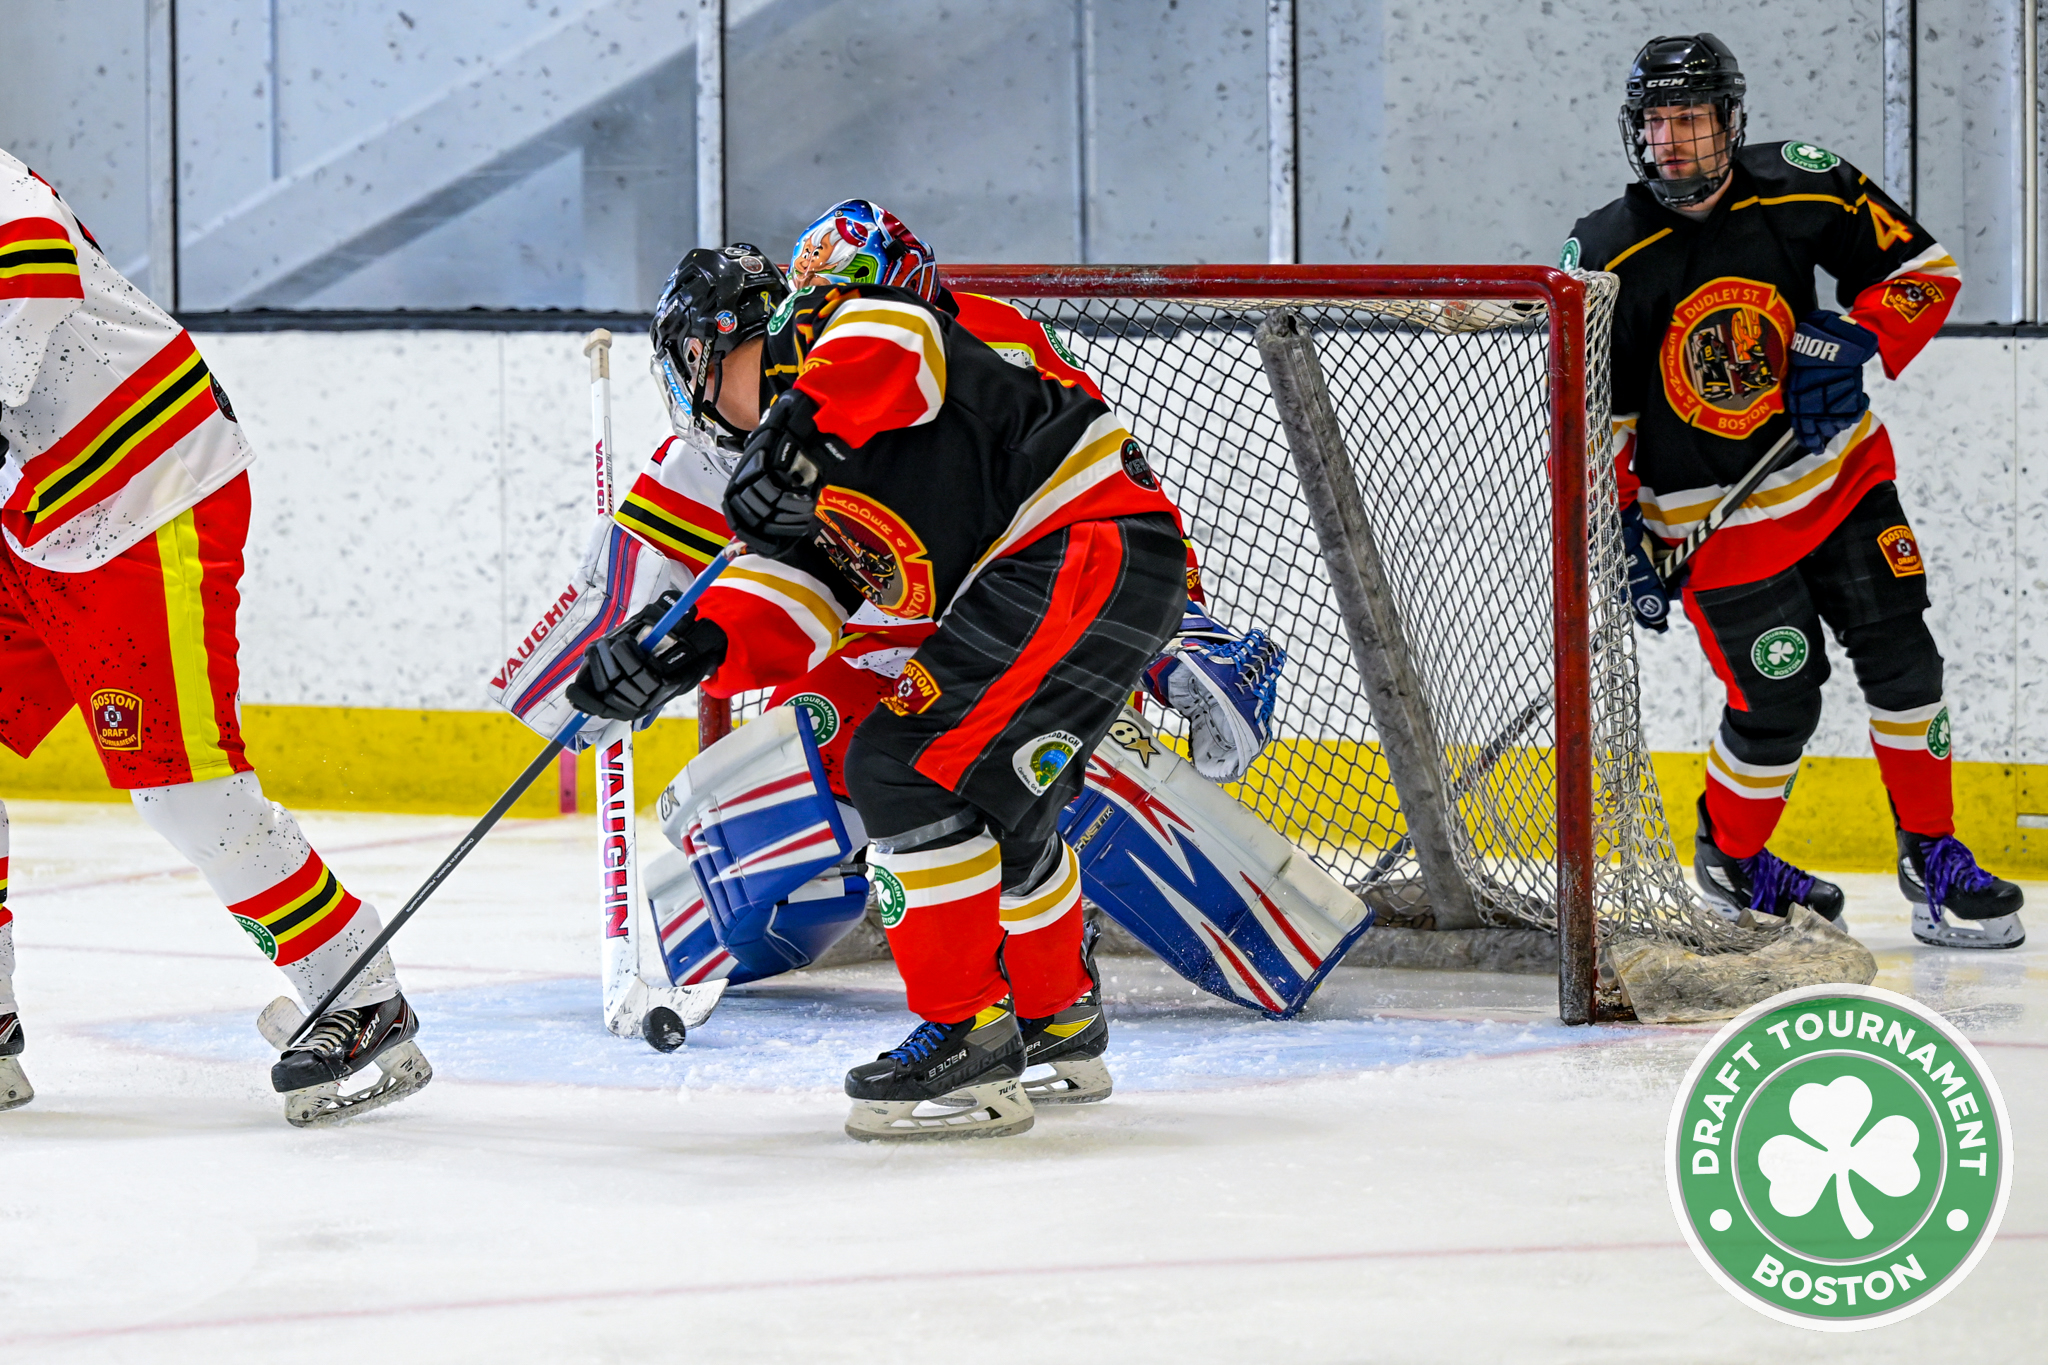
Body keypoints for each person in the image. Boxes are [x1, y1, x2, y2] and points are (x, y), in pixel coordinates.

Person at [569, 218, 1192, 1139]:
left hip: (1080, 542)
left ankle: (968, 1033)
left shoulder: (833, 333)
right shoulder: (799, 473)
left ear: (707, 352)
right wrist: (680, 652)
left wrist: (800, 429)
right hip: (1087, 565)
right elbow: (799, 596)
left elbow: (896, 334)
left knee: (898, 767)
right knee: (1006, 812)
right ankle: (1058, 1018)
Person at [1565, 34, 2024, 949]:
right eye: (1657, 123)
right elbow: (1595, 411)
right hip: (1712, 522)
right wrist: (1615, 533)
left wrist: (1856, 337)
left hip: (1840, 475)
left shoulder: (1804, 184)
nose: (1672, 143)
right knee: (1780, 700)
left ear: (1731, 122)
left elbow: (1921, 273)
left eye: (1692, 120)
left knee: (1907, 661)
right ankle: (1734, 859)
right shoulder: (1608, 250)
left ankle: (1931, 855)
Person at [0, 149, 430, 1123]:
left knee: (185, 791)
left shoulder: (3, 200)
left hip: (144, 490)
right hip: (32, 512)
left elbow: (29, 261)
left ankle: (356, 987)